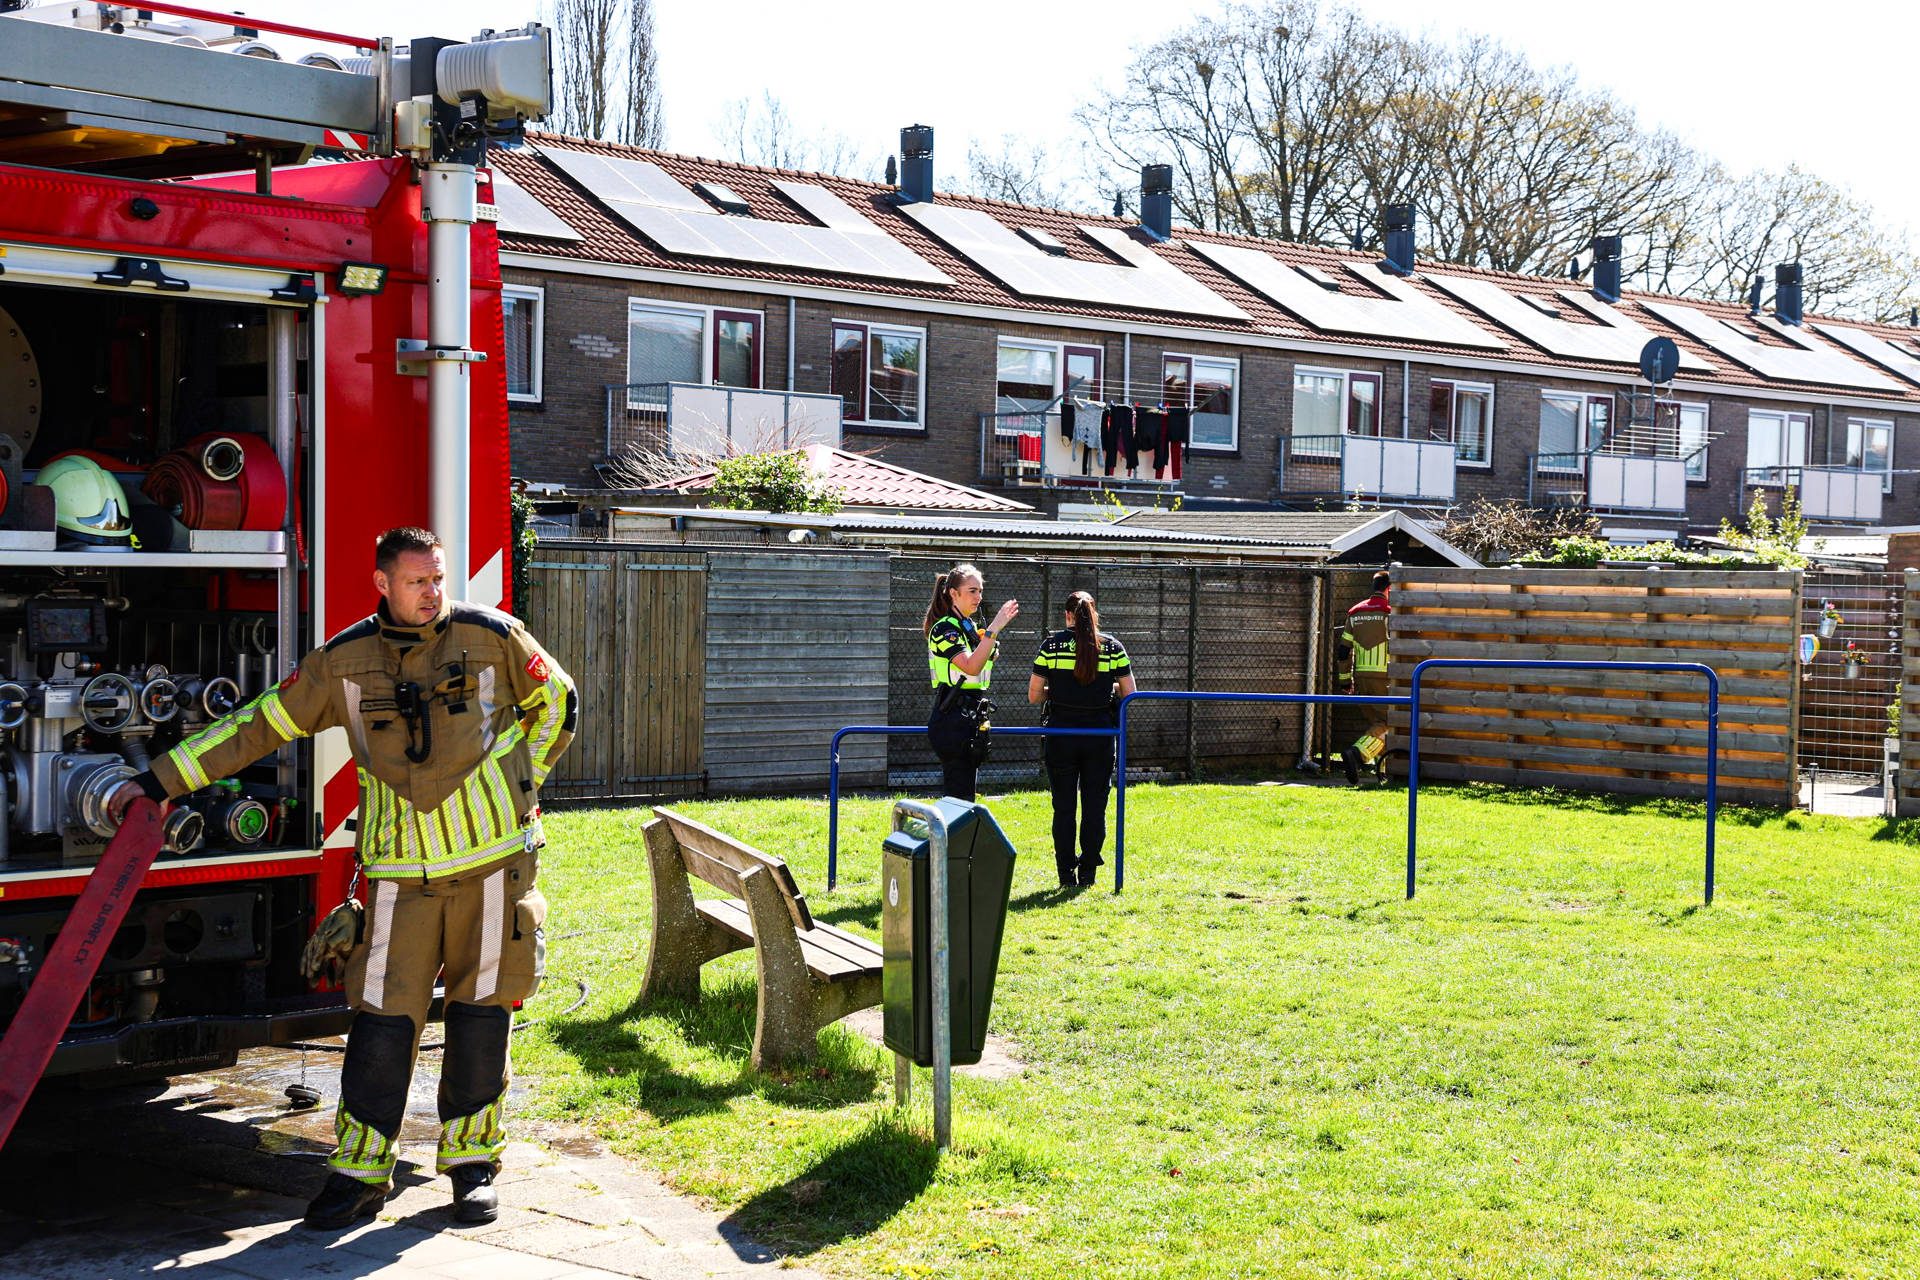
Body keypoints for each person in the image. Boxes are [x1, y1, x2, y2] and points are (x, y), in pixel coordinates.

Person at [107, 526, 575, 1230]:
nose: (433, 593)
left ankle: (473, 1168)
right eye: (418, 581)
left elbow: (559, 702)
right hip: (396, 881)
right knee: (381, 1027)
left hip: (492, 869)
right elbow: (260, 724)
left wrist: (521, 781)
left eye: (439, 579)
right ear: (382, 583)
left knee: (481, 1019)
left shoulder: (492, 636)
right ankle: (358, 1174)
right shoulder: (343, 660)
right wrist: (160, 781)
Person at [1029, 591, 1135, 887]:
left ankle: (1066, 874)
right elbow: (1130, 693)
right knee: (1094, 807)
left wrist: (1059, 692)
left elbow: (1034, 695)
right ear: (1093, 613)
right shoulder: (1113, 647)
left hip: (1061, 736)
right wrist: (1107, 689)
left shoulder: (1050, 646)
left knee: (1063, 807)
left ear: (1067, 616)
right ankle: (1089, 871)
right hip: (1100, 737)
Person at [924, 563, 1018, 802]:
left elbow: (989, 655)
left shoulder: (968, 627)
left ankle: (958, 839)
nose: (979, 597)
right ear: (953, 593)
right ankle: (950, 839)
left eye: (980, 591)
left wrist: (988, 639)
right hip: (952, 714)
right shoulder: (945, 628)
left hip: (971, 714)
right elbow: (971, 665)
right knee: (958, 797)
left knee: (966, 796)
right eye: (972, 591)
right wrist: (994, 629)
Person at [1335, 569, 1393, 786]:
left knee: (1377, 724)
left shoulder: (1355, 612)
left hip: (1360, 678)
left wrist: (1344, 681)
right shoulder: (1390, 611)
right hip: (1385, 677)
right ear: (1389, 588)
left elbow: (1343, 650)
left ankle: (1382, 773)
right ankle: (1358, 754)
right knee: (1389, 721)